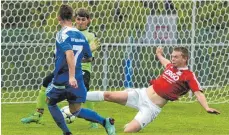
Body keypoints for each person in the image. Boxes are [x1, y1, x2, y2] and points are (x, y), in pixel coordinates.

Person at [86, 46, 220, 133]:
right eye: (172, 56)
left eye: (176, 57)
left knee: (128, 130)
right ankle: (80, 95)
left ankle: (112, 126)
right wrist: (159, 54)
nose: (172, 58)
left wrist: (207, 107)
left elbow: (198, 93)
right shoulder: (170, 66)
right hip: (141, 94)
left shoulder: (189, 76)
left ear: (185, 58)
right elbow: (164, 60)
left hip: (151, 108)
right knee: (109, 95)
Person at [21, 8, 101, 129]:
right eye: (78, 19)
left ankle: (93, 122)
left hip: (82, 69)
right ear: (74, 19)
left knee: (83, 92)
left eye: (83, 20)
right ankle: (38, 114)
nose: (80, 22)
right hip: (64, 68)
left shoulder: (90, 35)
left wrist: (87, 52)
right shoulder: (69, 32)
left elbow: (88, 58)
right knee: (46, 82)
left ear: (88, 20)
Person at [45, 5, 115, 135]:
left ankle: (67, 132)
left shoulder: (61, 34)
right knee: (75, 110)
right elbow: (89, 58)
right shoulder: (81, 36)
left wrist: (70, 75)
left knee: (50, 102)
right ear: (72, 18)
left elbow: (69, 53)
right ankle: (105, 122)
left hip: (63, 78)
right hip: (78, 80)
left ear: (58, 17)